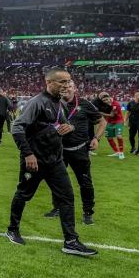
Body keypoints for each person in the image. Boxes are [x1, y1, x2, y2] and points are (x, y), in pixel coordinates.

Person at [5, 67, 97, 256]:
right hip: (35, 161)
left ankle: (71, 241)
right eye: (62, 81)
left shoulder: (60, 104)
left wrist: (68, 127)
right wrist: (28, 154)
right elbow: (17, 128)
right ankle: (12, 229)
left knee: (67, 197)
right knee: (24, 194)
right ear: (49, 83)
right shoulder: (36, 103)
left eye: (69, 81)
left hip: (55, 161)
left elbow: (62, 124)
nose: (67, 84)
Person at [44, 82, 105, 225]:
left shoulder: (85, 104)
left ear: (75, 88)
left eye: (69, 86)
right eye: (63, 87)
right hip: (58, 150)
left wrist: (96, 138)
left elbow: (102, 122)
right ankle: (57, 208)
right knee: (56, 181)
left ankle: (88, 212)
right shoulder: (53, 104)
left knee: (85, 182)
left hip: (80, 150)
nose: (66, 89)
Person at [95, 92, 125, 159]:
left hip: (118, 122)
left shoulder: (115, 104)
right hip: (109, 122)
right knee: (109, 137)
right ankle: (116, 152)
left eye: (106, 99)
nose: (105, 101)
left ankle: (121, 152)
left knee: (119, 136)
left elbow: (112, 115)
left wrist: (100, 113)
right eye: (104, 100)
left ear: (109, 98)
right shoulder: (104, 105)